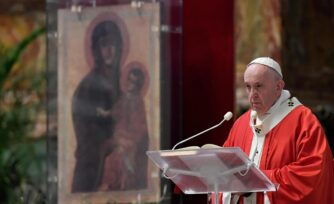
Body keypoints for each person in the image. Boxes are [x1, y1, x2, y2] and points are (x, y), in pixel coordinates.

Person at [215, 57, 334, 204]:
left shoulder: (303, 121)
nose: (252, 95)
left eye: (258, 86)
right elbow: (225, 170)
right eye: (248, 86)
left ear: (278, 87)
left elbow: (313, 174)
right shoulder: (241, 123)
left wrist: (255, 180)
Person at [71, 20, 123, 192]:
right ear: (96, 50)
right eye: (104, 45)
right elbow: (87, 135)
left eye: (114, 44)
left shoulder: (119, 84)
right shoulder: (89, 87)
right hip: (91, 171)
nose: (110, 51)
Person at [97, 67, 149, 191]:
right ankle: (107, 183)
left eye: (134, 82)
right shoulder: (125, 97)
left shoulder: (138, 101)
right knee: (105, 149)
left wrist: (127, 140)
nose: (130, 84)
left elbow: (140, 126)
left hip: (130, 139)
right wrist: (105, 113)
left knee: (115, 158)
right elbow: (116, 111)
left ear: (139, 85)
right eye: (129, 80)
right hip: (119, 136)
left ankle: (118, 184)